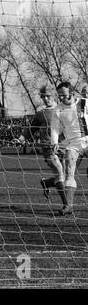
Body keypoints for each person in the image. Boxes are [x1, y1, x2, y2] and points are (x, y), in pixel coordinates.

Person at [51, 81, 88, 216]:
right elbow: (55, 128)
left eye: (64, 95)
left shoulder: (84, 103)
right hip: (72, 144)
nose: (61, 98)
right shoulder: (58, 109)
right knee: (69, 170)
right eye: (59, 95)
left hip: (87, 140)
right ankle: (68, 206)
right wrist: (54, 141)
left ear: (72, 92)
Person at [29, 84, 66, 207]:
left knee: (64, 178)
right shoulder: (41, 114)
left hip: (64, 147)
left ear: (54, 95)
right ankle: (66, 205)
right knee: (60, 174)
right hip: (48, 148)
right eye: (43, 97)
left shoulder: (63, 110)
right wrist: (20, 138)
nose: (45, 99)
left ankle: (46, 183)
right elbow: (30, 129)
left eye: (48, 96)